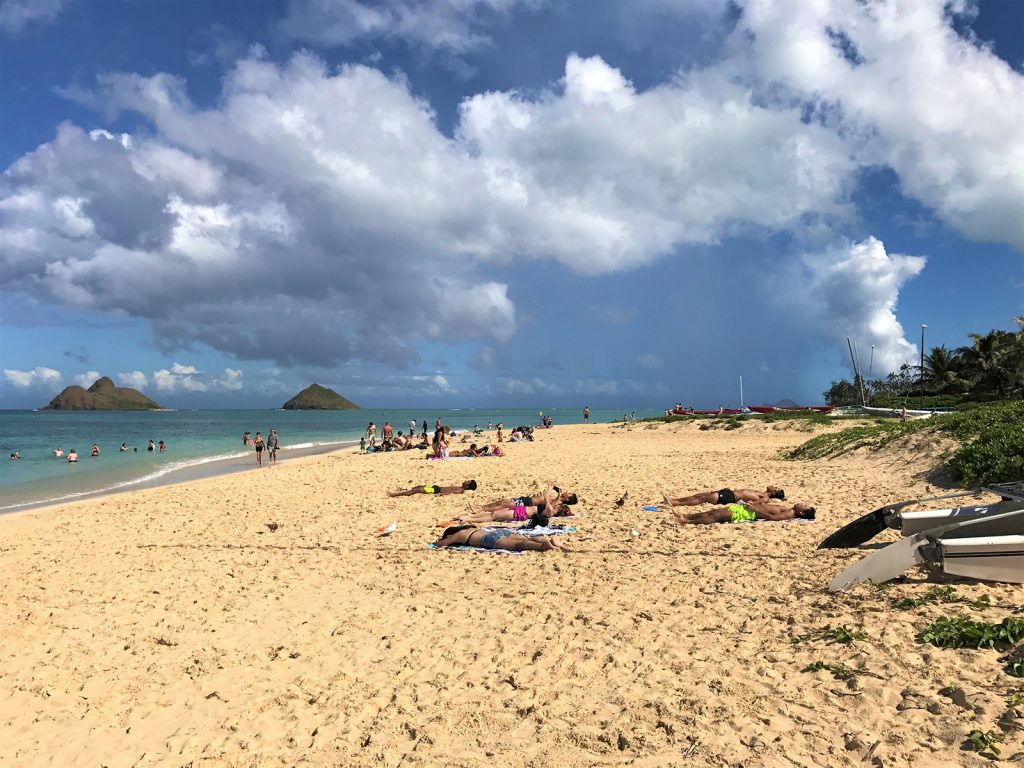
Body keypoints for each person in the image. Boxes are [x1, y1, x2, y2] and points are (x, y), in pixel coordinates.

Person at [433, 524, 566, 552]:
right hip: (497, 531)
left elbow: (444, 543)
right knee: (524, 538)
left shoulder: (460, 535)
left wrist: (438, 542)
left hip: (489, 539)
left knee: (517, 545)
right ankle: (545, 540)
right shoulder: (471, 528)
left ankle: (544, 546)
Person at [672, 500, 816, 525]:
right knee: (713, 511)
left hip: (748, 514)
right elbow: (768, 508)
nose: (802, 503)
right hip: (748, 509)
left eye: (804, 506)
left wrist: (754, 510)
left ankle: (687, 522)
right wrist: (755, 504)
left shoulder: (789, 514)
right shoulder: (789, 508)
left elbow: (774, 518)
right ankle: (686, 516)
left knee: (716, 516)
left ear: (801, 513)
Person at [476, 487, 578, 514]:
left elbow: (549, 503)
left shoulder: (559, 502)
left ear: (568, 499)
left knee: (504, 505)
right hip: (527, 499)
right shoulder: (558, 497)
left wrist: (550, 489)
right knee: (502, 502)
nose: (567, 492)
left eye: (569, 494)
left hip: (528, 503)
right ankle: (483, 506)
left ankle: (483, 510)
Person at [663, 486, 786, 507]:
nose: (773, 486)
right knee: (699, 495)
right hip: (729, 492)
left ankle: (676, 503)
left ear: (775, 493)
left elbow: (760, 503)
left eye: (776, 487)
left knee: (702, 499)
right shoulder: (761, 492)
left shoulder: (765, 497)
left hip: (731, 497)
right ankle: (674, 500)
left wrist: (751, 504)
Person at [387, 480, 478, 497]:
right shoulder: (460, 487)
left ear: (468, 486)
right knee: (418, 487)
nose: (465, 481)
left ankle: (395, 495)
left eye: (467, 481)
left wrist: (441, 494)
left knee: (415, 491)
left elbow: (451, 492)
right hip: (436, 487)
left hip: (436, 490)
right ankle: (402, 490)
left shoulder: (460, 490)